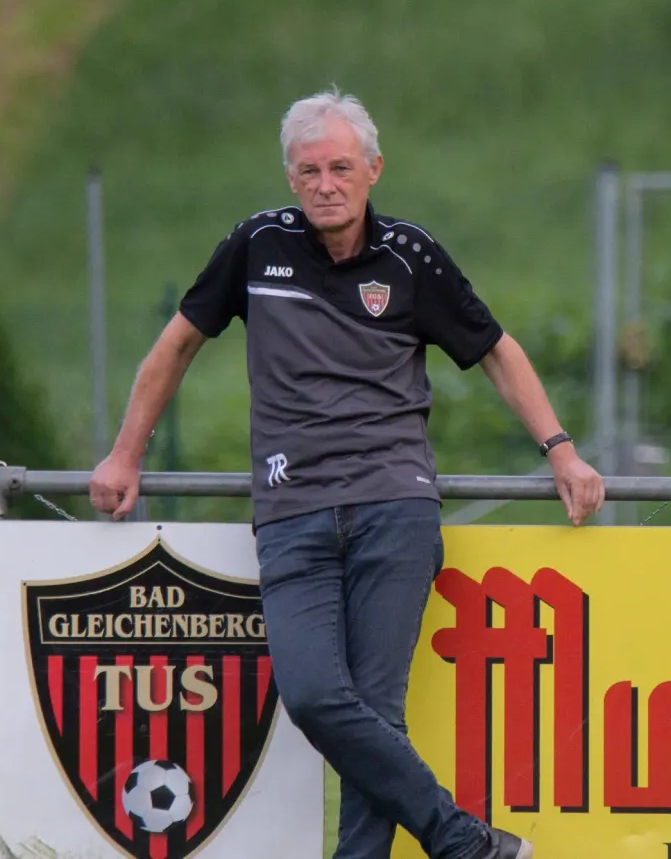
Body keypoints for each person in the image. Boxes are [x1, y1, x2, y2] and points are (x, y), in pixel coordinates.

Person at [88, 88, 606, 859]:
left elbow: (495, 348)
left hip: (395, 508)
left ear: (373, 170)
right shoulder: (255, 245)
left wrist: (560, 448)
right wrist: (126, 451)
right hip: (292, 512)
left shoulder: (412, 256)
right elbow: (175, 346)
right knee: (314, 696)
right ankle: (464, 841)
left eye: (340, 167)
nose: (326, 183)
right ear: (290, 178)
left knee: (377, 712)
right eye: (309, 170)